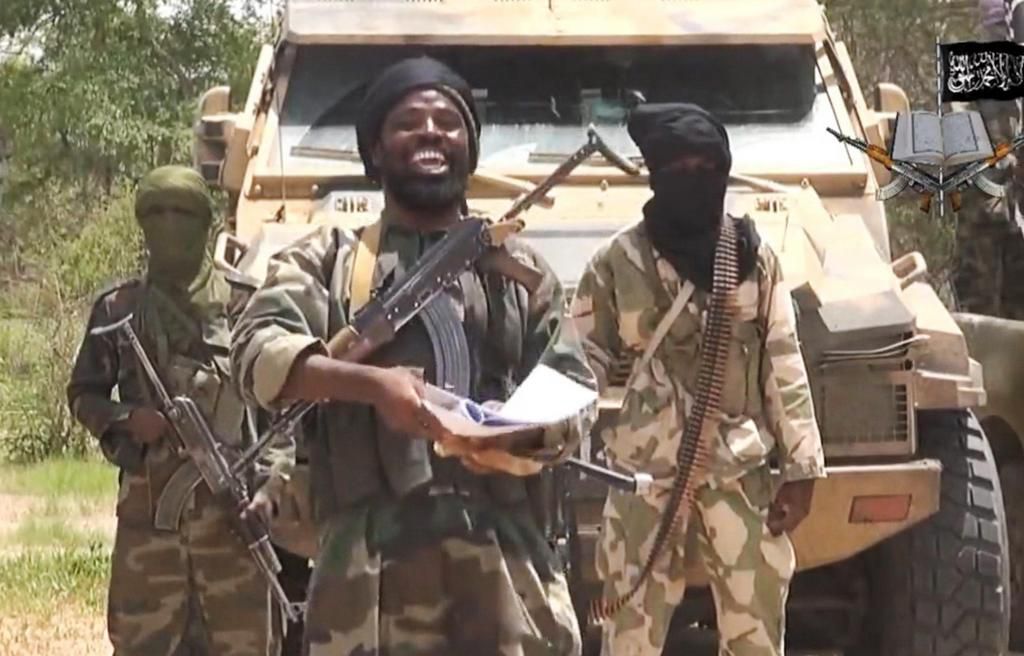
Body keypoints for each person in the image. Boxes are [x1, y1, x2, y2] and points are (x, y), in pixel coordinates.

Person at [230, 56, 592, 656]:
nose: (431, 132)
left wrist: (513, 431)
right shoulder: (328, 260)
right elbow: (255, 350)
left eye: (449, 122)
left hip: (506, 571)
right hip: (367, 581)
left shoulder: (520, 274)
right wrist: (372, 387)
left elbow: (573, 389)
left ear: (469, 151)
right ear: (374, 152)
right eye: (409, 122)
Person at [569, 103, 826, 656]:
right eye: (677, 170)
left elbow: (783, 360)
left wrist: (803, 467)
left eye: (706, 169)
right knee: (630, 632)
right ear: (655, 177)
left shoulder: (752, 257)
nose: (693, 182)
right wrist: (543, 441)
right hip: (643, 475)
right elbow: (576, 364)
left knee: (756, 627)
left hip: (739, 470)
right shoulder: (617, 262)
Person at [66, 165, 282, 656]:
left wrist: (270, 490)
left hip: (233, 524)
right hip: (151, 526)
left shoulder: (246, 305)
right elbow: (83, 394)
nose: (169, 224)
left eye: (182, 213)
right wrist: (126, 420)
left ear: (206, 222)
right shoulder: (118, 309)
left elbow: (281, 421)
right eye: (156, 213)